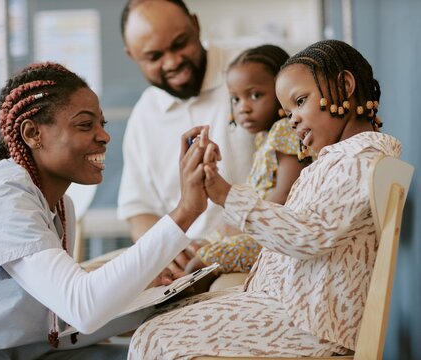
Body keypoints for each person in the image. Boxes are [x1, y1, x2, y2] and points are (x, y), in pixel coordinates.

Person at [0, 62, 214, 359]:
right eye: (86, 125)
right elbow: (84, 307)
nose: (104, 136)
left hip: (14, 351)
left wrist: (158, 295)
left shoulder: (59, 204)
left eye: (102, 123)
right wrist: (185, 211)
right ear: (32, 133)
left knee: (153, 350)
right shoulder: (1, 196)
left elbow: (57, 323)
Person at [128, 39, 399, 359]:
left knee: (157, 339)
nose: (293, 119)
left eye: (300, 101)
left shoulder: (359, 159)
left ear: (345, 84)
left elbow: (308, 236)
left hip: (312, 327)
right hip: (288, 308)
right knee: (155, 325)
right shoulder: (339, 160)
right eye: (287, 111)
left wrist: (225, 194)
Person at [118, 0, 255, 274]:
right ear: (132, 56)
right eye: (154, 57)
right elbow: (139, 210)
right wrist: (166, 251)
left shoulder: (252, 75)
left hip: (256, 251)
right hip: (187, 270)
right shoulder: (144, 116)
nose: (172, 62)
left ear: (195, 25)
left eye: (180, 44)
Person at [184, 44, 312, 275]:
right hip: (260, 229)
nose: (243, 108)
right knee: (195, 248)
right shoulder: (266, 138)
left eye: (255, 95)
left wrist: (240, 227)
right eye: (235, 99)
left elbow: (282, 198)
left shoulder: (286, 131)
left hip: (272, 237)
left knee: (199, 264)